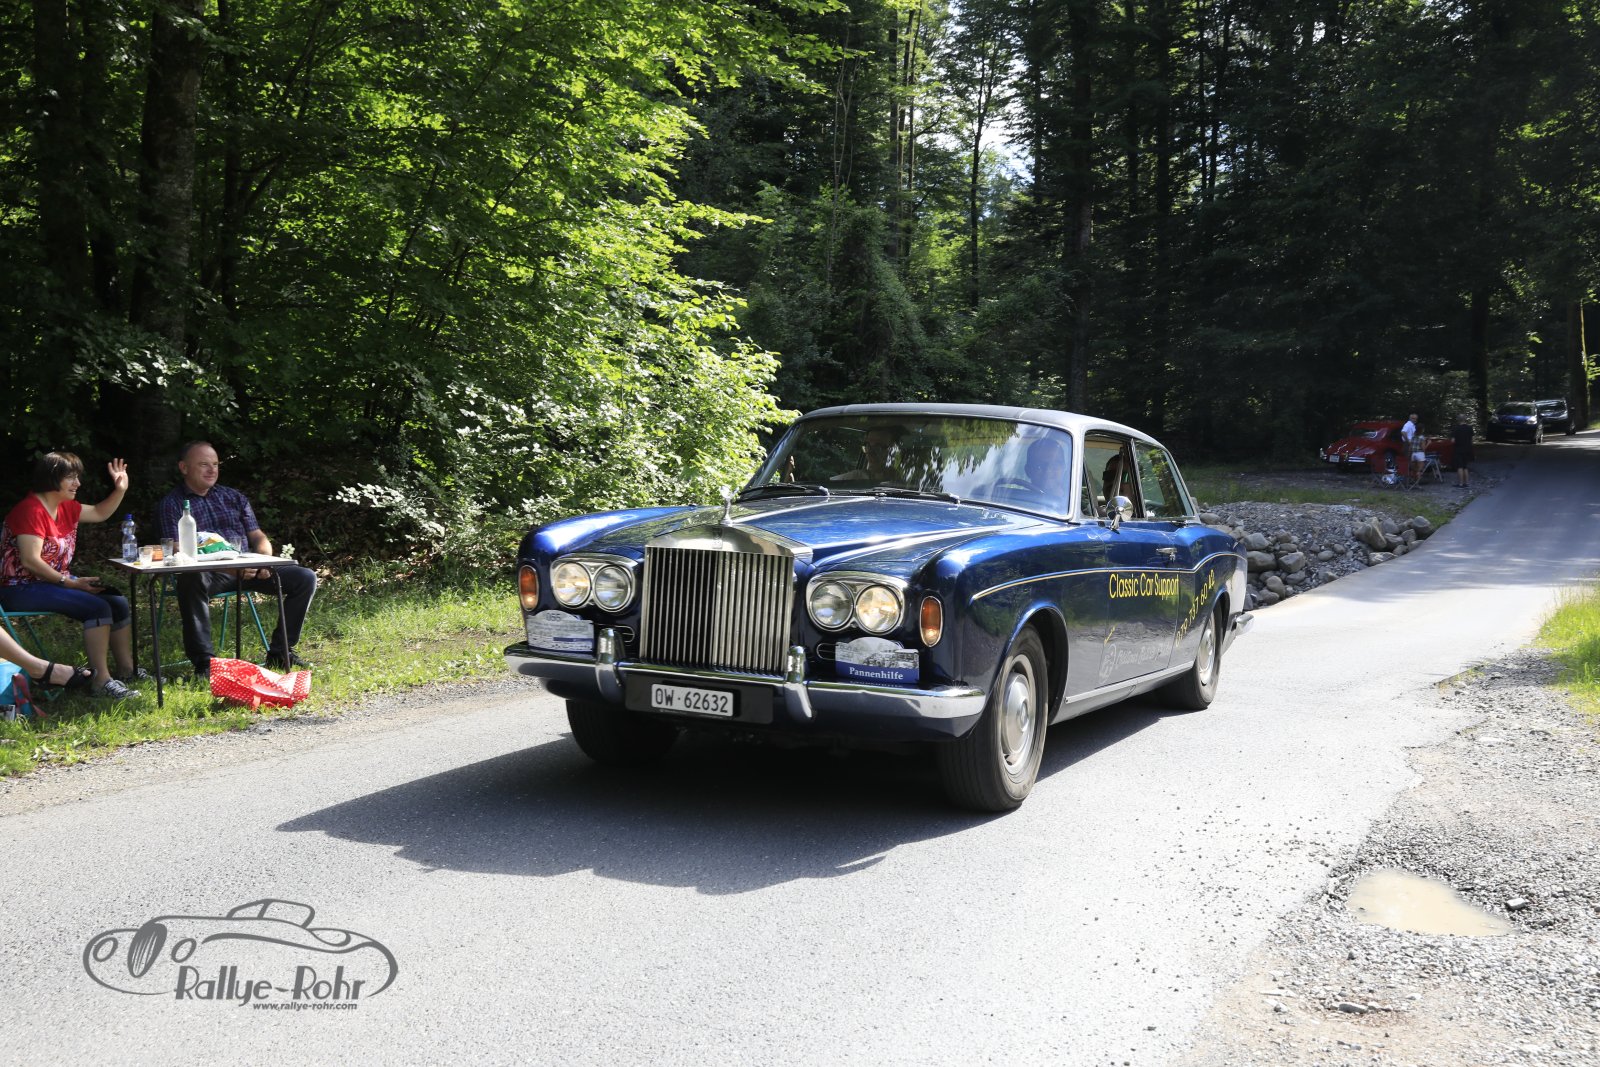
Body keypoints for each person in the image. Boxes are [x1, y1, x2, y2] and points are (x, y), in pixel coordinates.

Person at [157, 442, 318, 679]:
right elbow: (176, 548)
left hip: (248, 567)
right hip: (209, 573)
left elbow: (258, 536)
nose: (212, 470)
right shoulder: (172, 504)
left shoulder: (233, 497)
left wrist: (264, 562)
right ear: (184, 468)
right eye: (203, 464)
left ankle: (280, 652)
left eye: (215, 464)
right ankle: (205, 664)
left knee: (305, 577)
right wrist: (228, 568)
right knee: (190, 580)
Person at [0, 451, 143, 699]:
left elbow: (99, 513)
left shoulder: (65, 507)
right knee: (96, 607)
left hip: (52, 583)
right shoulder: (31, 510)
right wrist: (69, 583)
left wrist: (120, 489)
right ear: (51, 478)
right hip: (18, 587)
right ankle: (101, 681)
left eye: (77, 477)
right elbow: (30, 561)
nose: (78, 483)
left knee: (115, 600)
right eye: (71, 477)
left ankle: (127, 670)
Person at [834, 426, 903, 482]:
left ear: (893, 450)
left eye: (878, 447)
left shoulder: (901, 483)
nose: (870, 452)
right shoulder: (855, 477)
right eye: (867, 445)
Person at [1453, 412, 1476, 489]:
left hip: (1458, 449)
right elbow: (1472, 440)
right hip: (1467, 449)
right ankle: (1467, 483)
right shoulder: (1470, 428)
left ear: (1458, 420)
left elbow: (1453, 440)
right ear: (1465, 419)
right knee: (1465, 466)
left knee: (1459, 466)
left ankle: (1461, 483)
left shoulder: (1456, 428)